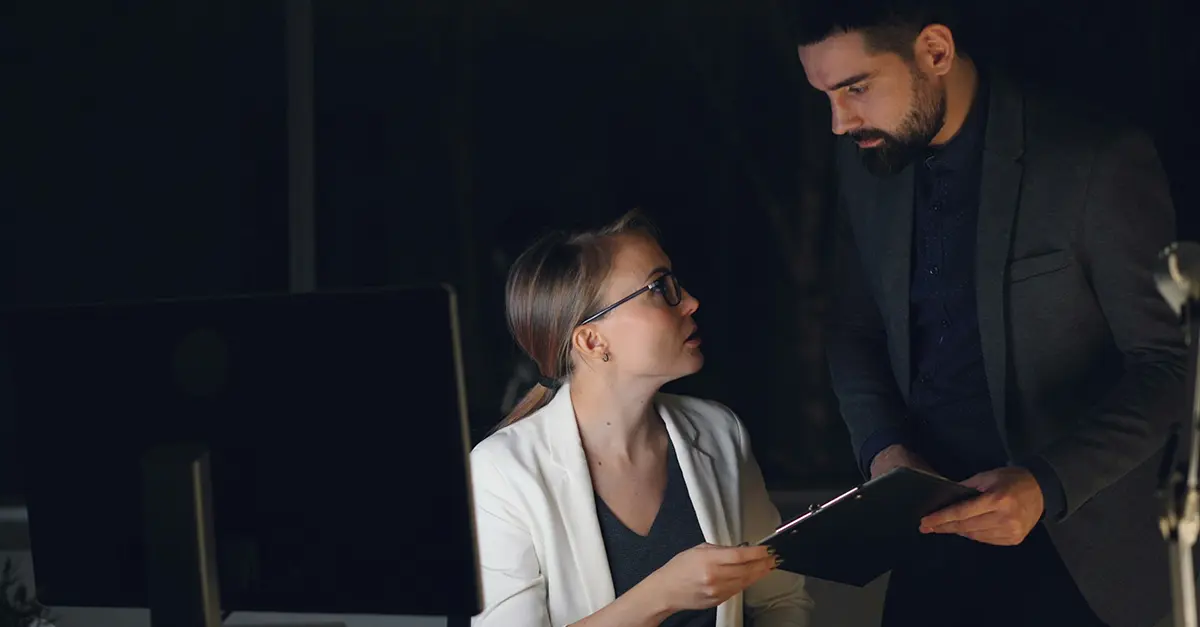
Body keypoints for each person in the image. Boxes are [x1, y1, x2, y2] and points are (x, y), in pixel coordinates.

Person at [782, 1, 1188, 626]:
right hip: (928, 540)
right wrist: (883, 450)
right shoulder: (868, 164)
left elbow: (1171, 366)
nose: (839, 122)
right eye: (825, 97)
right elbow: (853, 332)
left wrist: (1046, 484)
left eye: (855, 89)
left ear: (935, 51)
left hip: (1081, 554)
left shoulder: (1095, 158)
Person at [468, 211, 814, 627]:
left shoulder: (720, 432)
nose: (690, 301)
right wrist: (660, 595)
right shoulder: (501, 471)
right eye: (659, 288)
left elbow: (781, 601)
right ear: (592, 341)